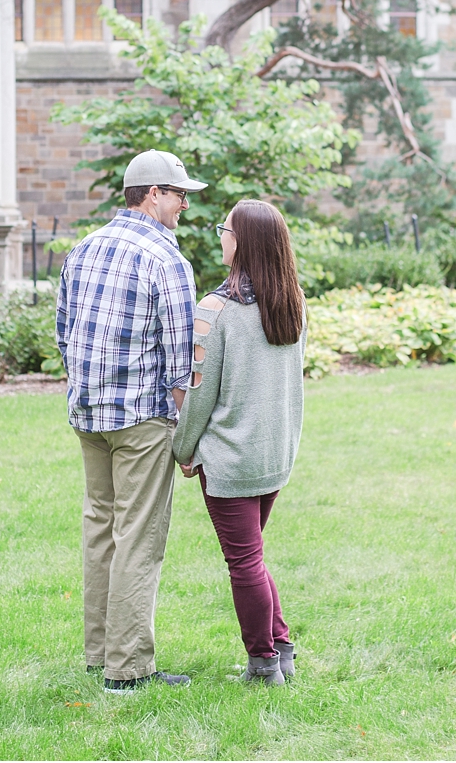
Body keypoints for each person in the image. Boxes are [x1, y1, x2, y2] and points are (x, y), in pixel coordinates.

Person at [56, 149, 204, 694]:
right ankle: (129, 668)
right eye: (178, 193)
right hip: (141, 419)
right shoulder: (167, 261)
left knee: (101, 528)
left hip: (88, 414)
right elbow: (179, 360)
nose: (185, 203)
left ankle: (99, 655)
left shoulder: (83, 249)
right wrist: (188, 438)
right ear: (150, 195)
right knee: (138, 536)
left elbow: (64, 333)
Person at [172, 198, 306, 687]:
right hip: (274, 457)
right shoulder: (292, 302)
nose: (220, 236)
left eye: (223, 229)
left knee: (244, 561)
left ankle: (263, 664)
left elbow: (199, 394)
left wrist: (183, 452)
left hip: (230, 459)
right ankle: (282, 649)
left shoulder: (217, 310)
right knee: (253, 555)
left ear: (242, 241)